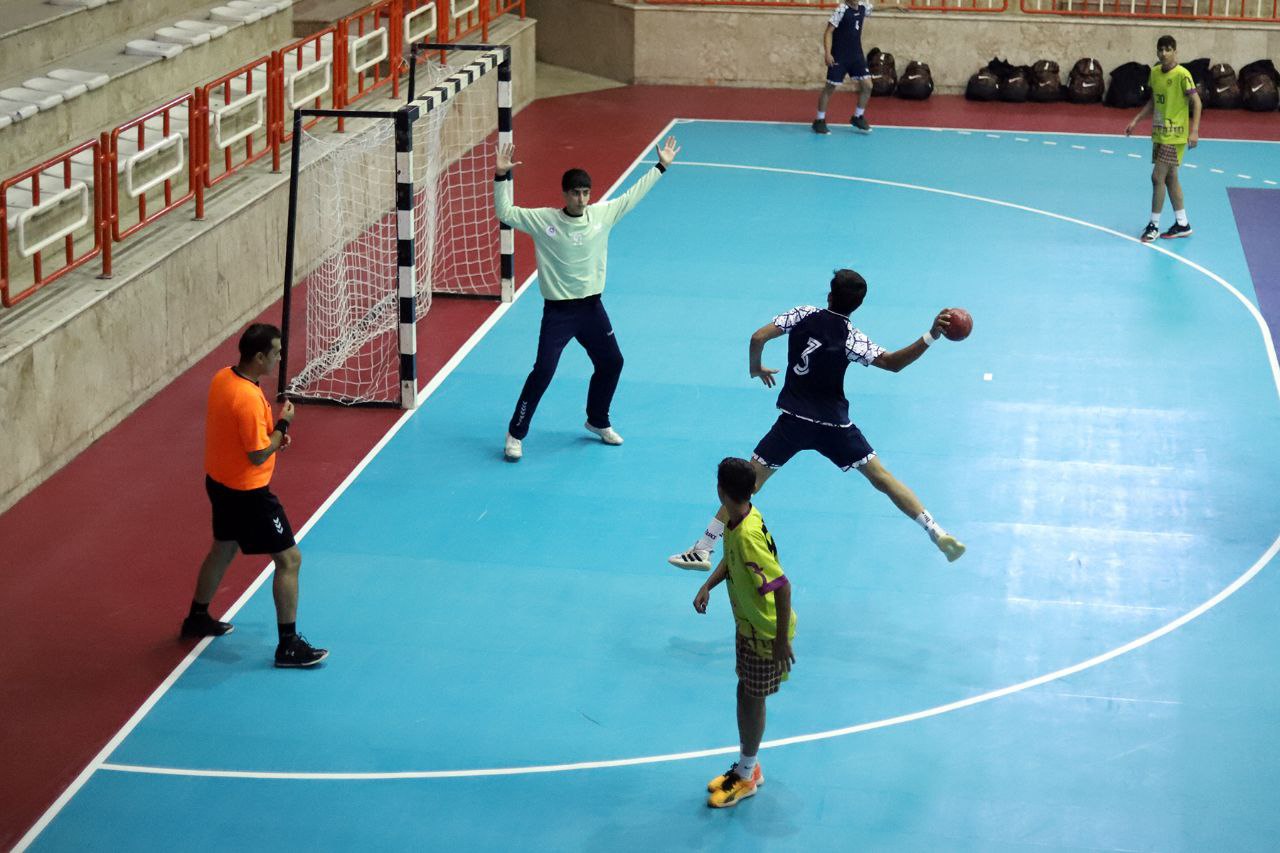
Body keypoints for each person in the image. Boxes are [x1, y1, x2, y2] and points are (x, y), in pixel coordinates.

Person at [669, 269, 965, 571]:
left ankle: (703, 549)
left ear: (830, 295)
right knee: (883, 479)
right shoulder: (852, 338)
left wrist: (755, 368)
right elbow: (893, 363)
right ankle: (936, 531)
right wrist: (931, 335)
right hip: (834, 427)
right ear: (858, 305)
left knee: (746, 484)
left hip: (793, 423)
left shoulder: (803, 314)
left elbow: (757, 337)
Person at [494, 136, 681, 461]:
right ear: (565, 194)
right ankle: (516, 433)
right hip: (559, 313)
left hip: (592, 309)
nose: (581, 199)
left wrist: (660, 167)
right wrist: (501, 175)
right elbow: (506, 212)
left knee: (612, 362)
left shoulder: (601, 215)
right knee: (543, 371)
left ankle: (597, 420)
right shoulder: (544, 220)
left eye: (585, 193)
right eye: (576, 193)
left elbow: (632, 196)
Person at [180, 323, 328, 668]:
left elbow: (244, 435)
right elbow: (259, 454)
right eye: (276, 352)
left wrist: (272, 437)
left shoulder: (223, 378)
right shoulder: (247, 398)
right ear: (259, 357)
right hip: (249, 494)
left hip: (219, 483)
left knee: (224, 548)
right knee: (289, 560)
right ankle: (288, 646)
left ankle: (196, 618)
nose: (280, 358)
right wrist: (283, 425)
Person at [693, 457, 796, 809]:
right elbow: (731, 557)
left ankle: (748, 774)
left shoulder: (748, 535)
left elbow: (782, 586)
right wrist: (708, 584)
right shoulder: (740, 518)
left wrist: (780, 641)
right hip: (748, 625)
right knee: (745, 692)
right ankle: (747, 765)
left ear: (720, 490)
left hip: (765, 632)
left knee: (752, 698)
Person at [1125, 34, 1201, 243]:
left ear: (1175, 51)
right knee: (1171, 177)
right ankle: (1183, 223)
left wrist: (1194, 131)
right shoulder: (1155, 73)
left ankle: (1154, 225)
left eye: (1168, 49)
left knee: (1157, 177)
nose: (1164, 53)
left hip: (1174, 135)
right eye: (1161, 49)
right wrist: (1136, 120)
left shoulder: (1182, 75)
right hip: (1159, 133)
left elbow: (1197, 102)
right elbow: (1153, 102)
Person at [812, 0, 908, 135]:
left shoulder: (863, 7)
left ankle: (857, 117)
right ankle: (819, 120)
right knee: (830, 88)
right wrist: (828, 53)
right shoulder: (841, 10)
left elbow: (878, 7)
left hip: (856, 56)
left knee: (868, 86)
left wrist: (896, 5)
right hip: (839, 56)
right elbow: (828, 32)